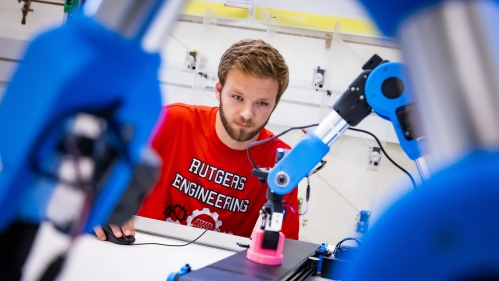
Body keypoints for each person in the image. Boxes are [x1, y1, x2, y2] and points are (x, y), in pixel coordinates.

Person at [95, 39, 300, 240]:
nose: (247, 113)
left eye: (262, 103)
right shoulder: (171, 122)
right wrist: (101, 207)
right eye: (237, 97)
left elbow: (286, 248)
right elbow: (98, 173)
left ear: (275, 103)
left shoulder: (282, 162)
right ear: (219, 91)